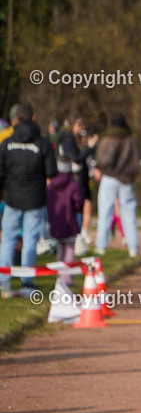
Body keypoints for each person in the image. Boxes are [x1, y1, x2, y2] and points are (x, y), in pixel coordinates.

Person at [0, 102, 57, 296]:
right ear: (33, 118)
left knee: (8, 239)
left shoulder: (6, 144)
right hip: (35, 200)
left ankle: (4, 282)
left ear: (15, 119)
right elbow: (52, 171)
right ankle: (26, 282)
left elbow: (0, 173)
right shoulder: (42, 144)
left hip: (13, 199)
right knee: (31, 240)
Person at [93, 113, 141, 258]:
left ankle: (101, 246)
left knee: (105, 212)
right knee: (129, 213)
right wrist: (131, 175)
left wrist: (102, 169)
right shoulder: (131, 139)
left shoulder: (108, 138)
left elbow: (103, 158)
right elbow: (136, 161)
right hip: (126, 180)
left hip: (109, 178)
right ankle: (133, 248)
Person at [58, 116, 99, 255]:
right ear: (71, 126)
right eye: (79, 124)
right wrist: (89, 148)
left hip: (78, 177)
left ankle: (79, 237)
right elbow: (76, 159)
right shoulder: (68, 138)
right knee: (78, 208)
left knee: (82, 206)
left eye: (83, 124)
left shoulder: (74, 138)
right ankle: (77, 239)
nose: (82, 127)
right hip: (74, 177)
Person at [47, 157, 85, 285]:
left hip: (56, 222)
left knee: (60, 249)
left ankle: (59, 276)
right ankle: (67, 278)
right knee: (69, 250)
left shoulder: (51, 184)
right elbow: (79, 201)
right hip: (69, 222)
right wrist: (79, 208)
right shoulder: (73, 184)